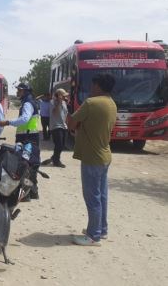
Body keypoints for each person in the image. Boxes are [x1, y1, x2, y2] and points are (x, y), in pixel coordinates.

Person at [68, 74, 117, 246]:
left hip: (92, 157)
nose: (90, 87)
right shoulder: (112, 103)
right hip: (104, 155)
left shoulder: (91, 103)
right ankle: (101, 229)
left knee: (92, 197)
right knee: (101, 196)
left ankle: (93, 236)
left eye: (92, 84)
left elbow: (71, 123)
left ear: (98, 86)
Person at [0, 82, 41, 200]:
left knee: (26, 164)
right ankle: (32, 192)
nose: (17, 92)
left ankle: (28, 193)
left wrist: (7, 122)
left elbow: (24, 119)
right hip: (28, 137)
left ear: (25, 91)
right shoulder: (29, 102)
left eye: (19, 90)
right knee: (30, 164)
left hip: (28, 139)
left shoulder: (28, 103)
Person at [42, 88, 69, 168]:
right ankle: (56, 161)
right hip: (55, 126)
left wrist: (67, 124)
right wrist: (59, 102)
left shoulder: (64, 103)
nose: (65, 97)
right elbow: (55, 112)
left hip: (63, 126)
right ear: (58, 96)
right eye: (63, 96)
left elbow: (65, 114)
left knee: (62, 145)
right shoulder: (52, 102)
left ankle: (54, 158)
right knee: (59, 144)